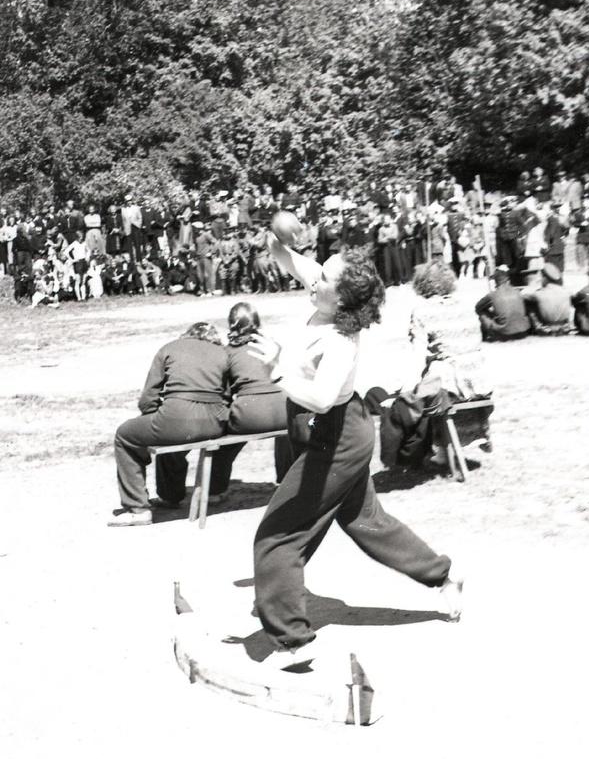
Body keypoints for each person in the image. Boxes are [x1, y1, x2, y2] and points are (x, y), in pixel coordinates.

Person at [243, 230, 463, 668]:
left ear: (342, 298)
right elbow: (289, 260)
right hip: (336, 431)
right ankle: (445, 575)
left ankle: (293, 641)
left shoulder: (341, 341)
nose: (313, 281)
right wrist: (275, 236)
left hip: (336, 438)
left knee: (277, 536)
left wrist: (275, 373)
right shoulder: (327, 292)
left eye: (323, 279)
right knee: (366, 520)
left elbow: (323, 399)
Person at [375, 261, 493, 471]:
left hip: (453, 382)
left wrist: (407, 389)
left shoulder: (423, 311)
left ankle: (433, 452)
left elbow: (418, 357)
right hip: (479, 378)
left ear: (421, 284)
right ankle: (452, 446)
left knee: (421, 392)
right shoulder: (466, 307)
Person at [109, 322, 229, 526]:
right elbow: (226, 395)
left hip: (177, 417)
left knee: (124, 435)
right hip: (215, 422)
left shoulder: (169, 348)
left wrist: (155, 416)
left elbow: (148, 398)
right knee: (171, 432)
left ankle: (137, 508)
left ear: (187, 335)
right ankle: (169, 496)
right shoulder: (222, 353)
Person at [207, 302, 291, 503]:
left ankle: (214, 491)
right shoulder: (273, 345)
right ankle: (286, 480)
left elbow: (223, 394)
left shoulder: (227, 352)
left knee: (223, 442)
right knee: (286, 435)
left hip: (250, 412)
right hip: (285, 409)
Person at [475, 265, 531, 341]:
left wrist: (491, 312)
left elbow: (478, 307)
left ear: (495, 282)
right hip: (523, 331)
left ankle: (487, 337)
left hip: (505, 333)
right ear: (508, 280)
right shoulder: (517, 292)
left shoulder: (492, 295)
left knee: (482, 314)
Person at [522, 263, 571, 335]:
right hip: (564, 327)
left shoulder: (539, 294)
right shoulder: (566, 291)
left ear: (545, 278)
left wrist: (533, 284)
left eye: (541, 277)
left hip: (546, 328)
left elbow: (522, 295)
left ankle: (538, 328)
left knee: (529, 303)